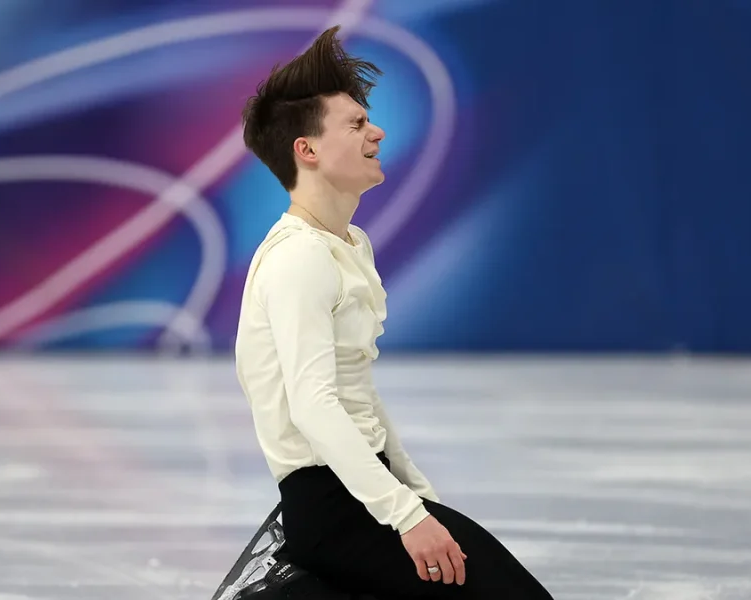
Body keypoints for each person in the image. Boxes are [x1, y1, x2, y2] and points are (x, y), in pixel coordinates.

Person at [233, 25, 556, 599]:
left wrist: (415, 492)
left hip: (364, 490)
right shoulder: (299, 258)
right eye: (356, 124)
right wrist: (406, 516)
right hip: (335, 507)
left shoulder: (347, 244)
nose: (377, 132)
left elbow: (359, 393)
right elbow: (313, 405)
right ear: (307, 150)